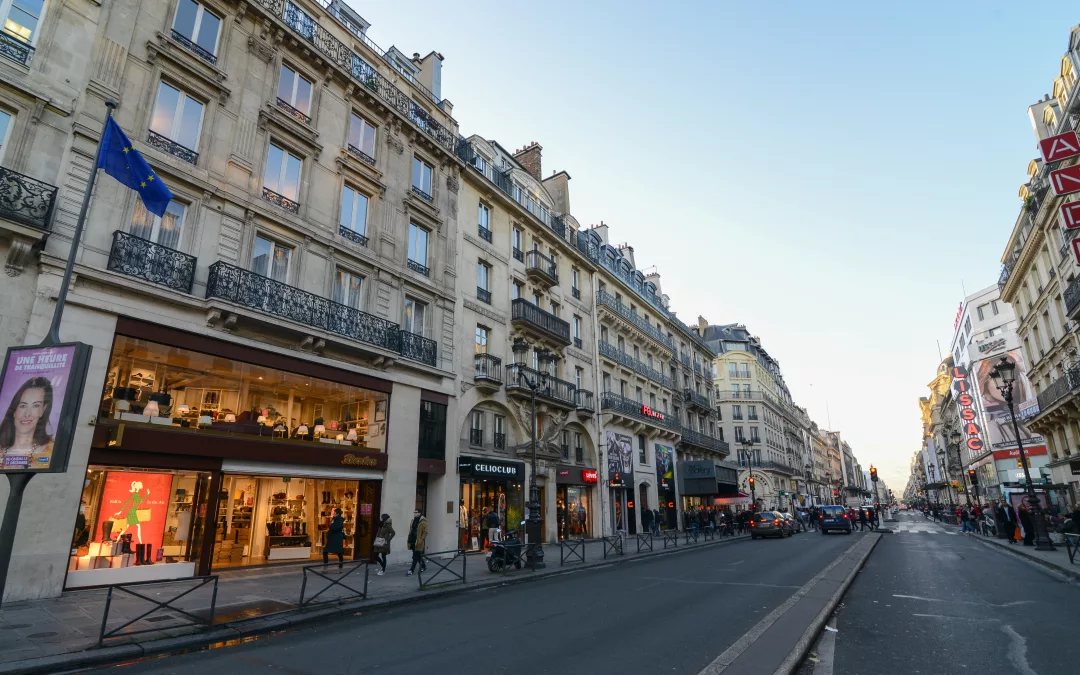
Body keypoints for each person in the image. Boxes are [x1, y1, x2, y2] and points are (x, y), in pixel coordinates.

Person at [0, 376, 55, 469]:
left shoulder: (52, 449)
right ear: (14, 410)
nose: (27, 414)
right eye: (22, 406)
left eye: (36, 405)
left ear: (43, 410)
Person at [406, 509, 427, 576]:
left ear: (419, 513)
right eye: (414, 512)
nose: (414, 513)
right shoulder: (413, 520)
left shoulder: (423, 522)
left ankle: (411, 570)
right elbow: (411, 530)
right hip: (412, 540)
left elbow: (425, 532)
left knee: (415, 556)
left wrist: (421, 540)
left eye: (416, 512)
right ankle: (423, 566)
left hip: (418, 541)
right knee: (418, 555)